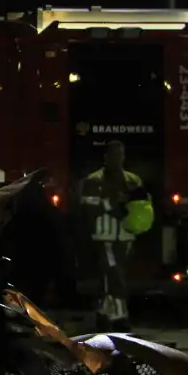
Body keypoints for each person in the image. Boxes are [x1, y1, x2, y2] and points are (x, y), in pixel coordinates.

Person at [79, 140, 154, 332]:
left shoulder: (132, 180)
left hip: (125, 236)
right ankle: (121, 319)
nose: (117, 159)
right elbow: (87, 206)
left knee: (110, 278)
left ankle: (103, 315)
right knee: (115, 276)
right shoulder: (94, 180)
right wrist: (112, 206)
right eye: (113, 155)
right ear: (105, 157)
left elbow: (143, 203)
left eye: (120, 155)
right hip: (104, 237)